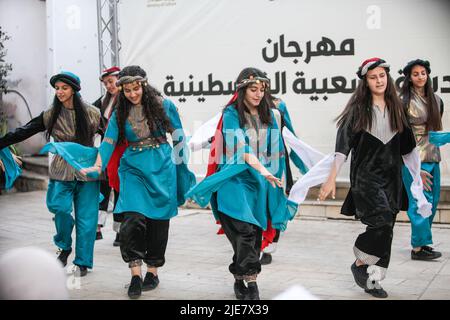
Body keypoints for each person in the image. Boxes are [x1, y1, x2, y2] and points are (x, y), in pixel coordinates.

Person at [79, 65, 195, 299]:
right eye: (127, 90)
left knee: (158, 222)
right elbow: (109, 141)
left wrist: (180, 167)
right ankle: (135, 274)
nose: (132, 94)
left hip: (162, 166)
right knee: (132, 220)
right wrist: (99, 166)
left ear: (143, 84)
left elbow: (179, 137)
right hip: (132, 168)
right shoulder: (119, 112)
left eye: (135, 88)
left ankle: (152, 271)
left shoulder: (164, 105)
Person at [318, 58, 429, 298]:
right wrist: (331, 178)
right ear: (365, 82)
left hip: (392, 179)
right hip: (366, 178)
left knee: (387, 226)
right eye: (373, 77)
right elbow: (342, 148)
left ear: (387, 78)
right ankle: (360, 262)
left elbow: (408, 148)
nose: (379, 80)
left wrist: (416, 172)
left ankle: (373, 278)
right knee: (379, 222)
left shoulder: (398, 108)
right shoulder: (357, 111)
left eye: (382, 76)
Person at [186, 67, 298, 300]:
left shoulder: (270, 114)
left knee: (255, 234)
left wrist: (276, 179)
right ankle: (252, 283)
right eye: (253, 89)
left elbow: (277, 149)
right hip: (234, 179)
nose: (258, 94)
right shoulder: (230, 114)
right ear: (242, 90)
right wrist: (263, 169)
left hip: (261, 182)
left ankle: (239, 276)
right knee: (245, 231)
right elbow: (240, 147)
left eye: (262, 90)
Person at [0, 71, 101, 277]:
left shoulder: (93, 113)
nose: (60, 91)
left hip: (88, 170)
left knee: (87, 218)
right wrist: (2, 142)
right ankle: (64, 246)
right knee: (60, 208)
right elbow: (25, 130)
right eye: (57, 88)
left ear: (74, 89)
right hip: (61, 170)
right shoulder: (51, 113)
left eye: (64, 88)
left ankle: (82, 261)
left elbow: (112, 137)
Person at [400, 59, 444, 261]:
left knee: (432, 202)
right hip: (414, 159)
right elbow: (400, 136)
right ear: (409, 77)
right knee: (419, 202)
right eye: (415, 73)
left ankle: (424, 243)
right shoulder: (403, 102)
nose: (420, 76)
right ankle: (418, 248)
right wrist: (413, 167)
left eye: (423, 73)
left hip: (433, 157)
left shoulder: (436, 100)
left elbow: (433, 134)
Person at [92, 66, 123, 246]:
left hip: (121, 150)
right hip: (105, 149)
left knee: (119, 190)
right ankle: (97, 227)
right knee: (102, 187)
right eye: (106, 83)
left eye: (111, 82)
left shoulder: (126, 101)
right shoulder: (101, 102)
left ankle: (120, 231)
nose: (109, 86)